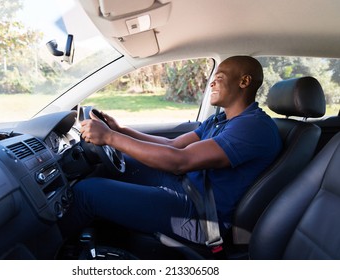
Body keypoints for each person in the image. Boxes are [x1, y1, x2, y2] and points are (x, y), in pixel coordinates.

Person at [67, 56, 282, 245]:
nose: (212, 82)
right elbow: (173, 145)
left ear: (244, 81)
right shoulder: (221, 119)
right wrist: (121, 130)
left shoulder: (254, 127)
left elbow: (180, 160)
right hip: (186, 187)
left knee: (87, 192)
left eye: (220, 76)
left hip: (201, 217)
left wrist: (109, 137)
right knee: (114, 168)